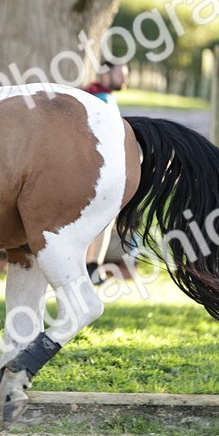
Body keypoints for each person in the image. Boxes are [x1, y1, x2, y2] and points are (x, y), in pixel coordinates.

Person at [84, 60, 128, 284]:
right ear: (105, 74)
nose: (125, 79)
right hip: (96, 169)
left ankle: (91, 267)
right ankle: (92, 267)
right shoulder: (102, 99)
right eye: (121, 74)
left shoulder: (89, 94)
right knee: (103, 217)